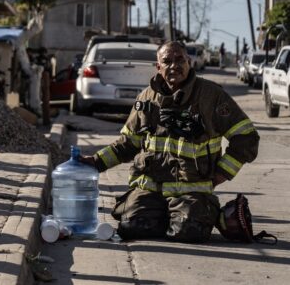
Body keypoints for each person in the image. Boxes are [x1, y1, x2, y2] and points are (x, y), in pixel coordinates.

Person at [80, 41, 259, 242]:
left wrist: (222, 173)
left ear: (189, 62)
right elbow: (128, 144)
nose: (174, 65)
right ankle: (163, 215)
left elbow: (247, 137)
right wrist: (95, 162)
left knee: (189, 232)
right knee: (133, 227)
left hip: (192, 190)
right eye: (167, 61)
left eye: (180, 59)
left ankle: (207, 213)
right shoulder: (146, 98)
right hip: (151, 189)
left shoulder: (211, 96)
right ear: (158, 67)